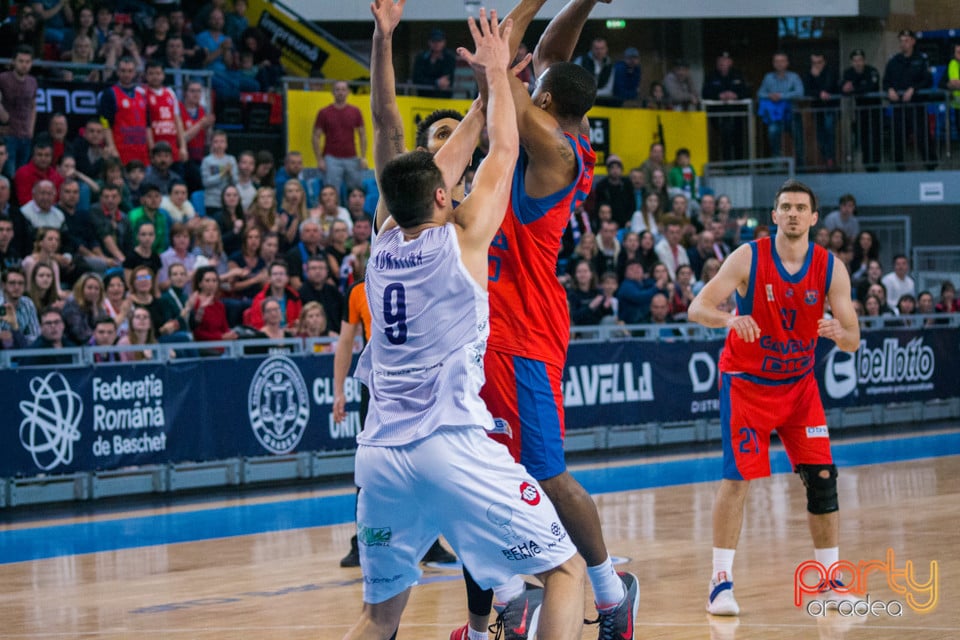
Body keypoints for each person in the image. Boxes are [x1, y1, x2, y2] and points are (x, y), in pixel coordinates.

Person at [344, 9, 584, 640]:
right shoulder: (465, 239)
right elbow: (505, 148)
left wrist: (383, 38)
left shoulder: (381, 234)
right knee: (563, 572)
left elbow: (387, 124)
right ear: (444, 196)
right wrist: (498, 76)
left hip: (379, 456)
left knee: (378, 618)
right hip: (449, 440)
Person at [688, 179, 860, 617]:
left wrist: (841, 334)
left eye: (801, 208)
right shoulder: (749, 256)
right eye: (786, 207)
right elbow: (698, 307)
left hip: (799, 386)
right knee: (737, 479)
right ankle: (719, 582)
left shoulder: (830, 267)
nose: (793, 214)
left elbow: (853, 338)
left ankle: (829, 581)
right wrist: (729, 320)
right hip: (746, 383)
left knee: (823, 480)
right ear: (774, 214)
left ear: (815, 218)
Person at [884, 30, 936, 171]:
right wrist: (889, 89)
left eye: (906, 40)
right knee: (898, 139)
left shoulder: (921, 60)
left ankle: (931, 167)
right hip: (899, 108)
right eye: (901, 40)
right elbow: (886, 81)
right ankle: (899, 168)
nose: (903, 44)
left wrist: (914, 88)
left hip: (916, 106)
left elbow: (928, 80)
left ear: (913, 41)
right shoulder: (894, 62)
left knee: (923, 138)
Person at [313, 81, 368, 197]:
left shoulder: (355, 111)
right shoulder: (324, 112)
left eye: (343, 89)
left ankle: (353, 215)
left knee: (355, 191)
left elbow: (362, 135)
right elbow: (315, 137)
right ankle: (333, 215)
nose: (341, 92)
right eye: (337, 89)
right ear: (333, 92)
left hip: (352, 158)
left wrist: (363, 157)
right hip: (331, 158)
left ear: (348, 92)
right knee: (332, 192)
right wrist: (319, 160)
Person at [99, 56, 149, 166]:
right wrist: (111, 146)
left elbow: (148, 125)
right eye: (123, 71)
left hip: (142, 151)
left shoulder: (143, 93)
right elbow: (104, 122)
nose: (127, 74)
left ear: (135, 72)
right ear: (117, 72)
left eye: (130, 71)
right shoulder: (109, 93)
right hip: (121, 149)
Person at [702, 51, 750, 161]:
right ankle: (727, 166)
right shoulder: (711, 76)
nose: (722, 63)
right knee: (725, 138)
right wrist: (719, 96)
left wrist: (735, 95)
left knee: (739, 139)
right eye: (720, 61)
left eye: (725, 61)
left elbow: (747, 91)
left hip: (737, 114)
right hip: (718, 115)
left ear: (730, 62)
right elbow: (705, 93)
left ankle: (740, 163)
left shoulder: (738, 75)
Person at [0, 46, 39, 176]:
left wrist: (31, 130)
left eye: (27, 62)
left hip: (25, 136)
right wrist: (4, 118)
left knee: (22, 174)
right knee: (10, 174)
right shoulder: (3, 78)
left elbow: (33, 106)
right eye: (21, 61)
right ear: (13, 62)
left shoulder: (32, 81)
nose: (24, 65)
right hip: (8, 135)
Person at [841, 49, 882, 171]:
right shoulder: (848, 73)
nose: (858, 63)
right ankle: (866, 165)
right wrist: (850, 88)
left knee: (874, 138)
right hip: (859, 111)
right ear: (851, 62)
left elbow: (871, 86)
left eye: (860, 60)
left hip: (874, 110)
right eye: (855, 61)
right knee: (863, 138)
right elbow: (842, 88)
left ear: (864, 60)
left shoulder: (872, 71)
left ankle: (875, 165)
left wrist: (854, 89)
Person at [758, 52, 803, 158]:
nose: (779, 64)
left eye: (782, 61)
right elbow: (760, 93)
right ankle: (777, 161)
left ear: (787, 63)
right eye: (777, 61)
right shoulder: (768, 77)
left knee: (798, 139)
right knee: (773, 132)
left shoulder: (794, 77)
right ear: (773, 64)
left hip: (792, 114)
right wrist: (770, 95)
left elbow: (799, 93)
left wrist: (781, 96)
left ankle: (801, 166)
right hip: (775, 116)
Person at [144, 61, 188, 164]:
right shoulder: (141, 93)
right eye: (151, 73)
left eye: (158, 73)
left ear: (163, 75)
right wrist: (152, 149)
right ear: (145, 75)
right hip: (154, 148)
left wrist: (183, 147)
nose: (155, 77)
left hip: (172, 149)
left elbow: (178, 121)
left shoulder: (170, 93)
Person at [802, 53, 839, 169]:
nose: (817, 65)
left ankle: (830, 158)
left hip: (830, 107)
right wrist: (818, 91)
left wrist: (817, 78)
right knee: (820, 135)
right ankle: (826, 157)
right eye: (814, 63)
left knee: (829, 130)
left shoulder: (830, 71)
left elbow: (828, 87)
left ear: (824, 62)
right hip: (817, 109)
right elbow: (806, 90)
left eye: (819, 62)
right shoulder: (809, 74)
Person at [244, 261, 302, 330]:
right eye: (275, 274)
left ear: (287, 278)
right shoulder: (259, 299)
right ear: (269, 278)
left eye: (281, 274)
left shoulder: (295, 297)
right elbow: (257, 326)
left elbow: (299, 322)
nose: (278, 277)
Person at [190, 265, 237, 345]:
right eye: (207, 281)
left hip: (222, 343)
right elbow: (197, 332)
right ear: (200, 284)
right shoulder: (194, 302)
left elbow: (224, 328)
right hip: (204, 345)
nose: (211, 284)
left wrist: (231, 335)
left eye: (214, 281)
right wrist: (220, 337)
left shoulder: (220, 305)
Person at [15, 139, 64, 208]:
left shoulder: (57, 176)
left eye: (47, 155)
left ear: (51, 157)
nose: (43, 158)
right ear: (33, 156)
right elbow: (24, 201)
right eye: (39, 155)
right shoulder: (23, 173)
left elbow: (60, 201)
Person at [61, 272, 107, 344]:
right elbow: (81, 334)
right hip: (73, 346)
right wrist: (100, 336)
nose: (93, 291)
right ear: (81, 288)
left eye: (96, 288)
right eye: (89, 288)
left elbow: (106, 327)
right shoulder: (72, 304)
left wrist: (95, 311)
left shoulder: (97, 305)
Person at [201, 130, 238, 218]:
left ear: (226, 144)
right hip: (212, 202)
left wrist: (230, 174)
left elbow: (235, 182)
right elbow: (206, 182)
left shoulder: (231, 159)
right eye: (216, 141)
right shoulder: (207, 161)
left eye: (222, 141)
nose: (219, 144)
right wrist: (222, 174)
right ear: (212, 144)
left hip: (228, 202)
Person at [411, 28, 457, 98]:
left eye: (439, 41)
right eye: (434, 41)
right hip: (423, 99)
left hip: (443, 99)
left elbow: (446, 80)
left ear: (444, 42)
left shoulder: (449, 58)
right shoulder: (420, 57)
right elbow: (416, 79)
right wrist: (435, 82)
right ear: (429, 42)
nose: (437, 44)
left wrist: (430, 81)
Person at [574, 37, 615, 102]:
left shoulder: (609, 65)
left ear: (606, 49)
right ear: (591, 49)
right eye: (596, 49)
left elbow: (609, 89)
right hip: (581, 99)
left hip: (602, 101)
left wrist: (592, 94)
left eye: (602, 48)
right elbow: (573, 81)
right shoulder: (581, 61)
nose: (599, 51)